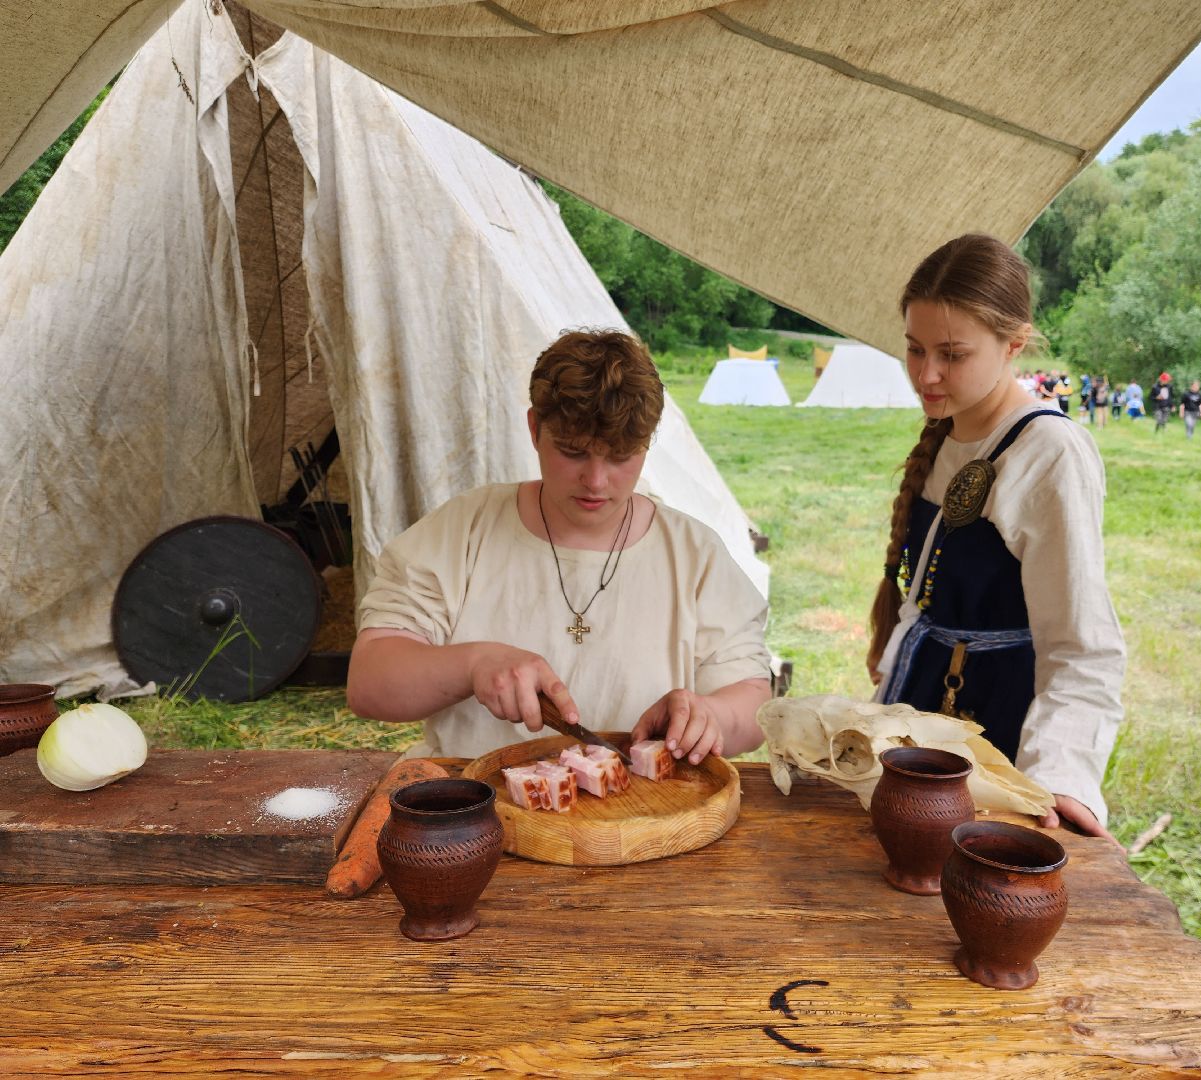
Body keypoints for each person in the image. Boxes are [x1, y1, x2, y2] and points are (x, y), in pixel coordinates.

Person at [347, 329, 772, 763]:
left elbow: (753, 700)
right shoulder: (463, 531)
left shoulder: (693, 554)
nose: (596, 481)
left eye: (621, 457)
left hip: (642, 816)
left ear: (647, 444)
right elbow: (369, 682)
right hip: (470, 810)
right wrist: (473, 665)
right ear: (535, 429)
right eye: (572, 452)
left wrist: (709, 715)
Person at [867, 234, 1125, 842]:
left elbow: (1083, 648)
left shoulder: (1049, 453)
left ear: (1015, 343)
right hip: (922, 719)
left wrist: (1055, 781)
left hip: (996, 734)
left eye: (952, 354)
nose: (926, 375)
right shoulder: (950, 432)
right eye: (914, 350)